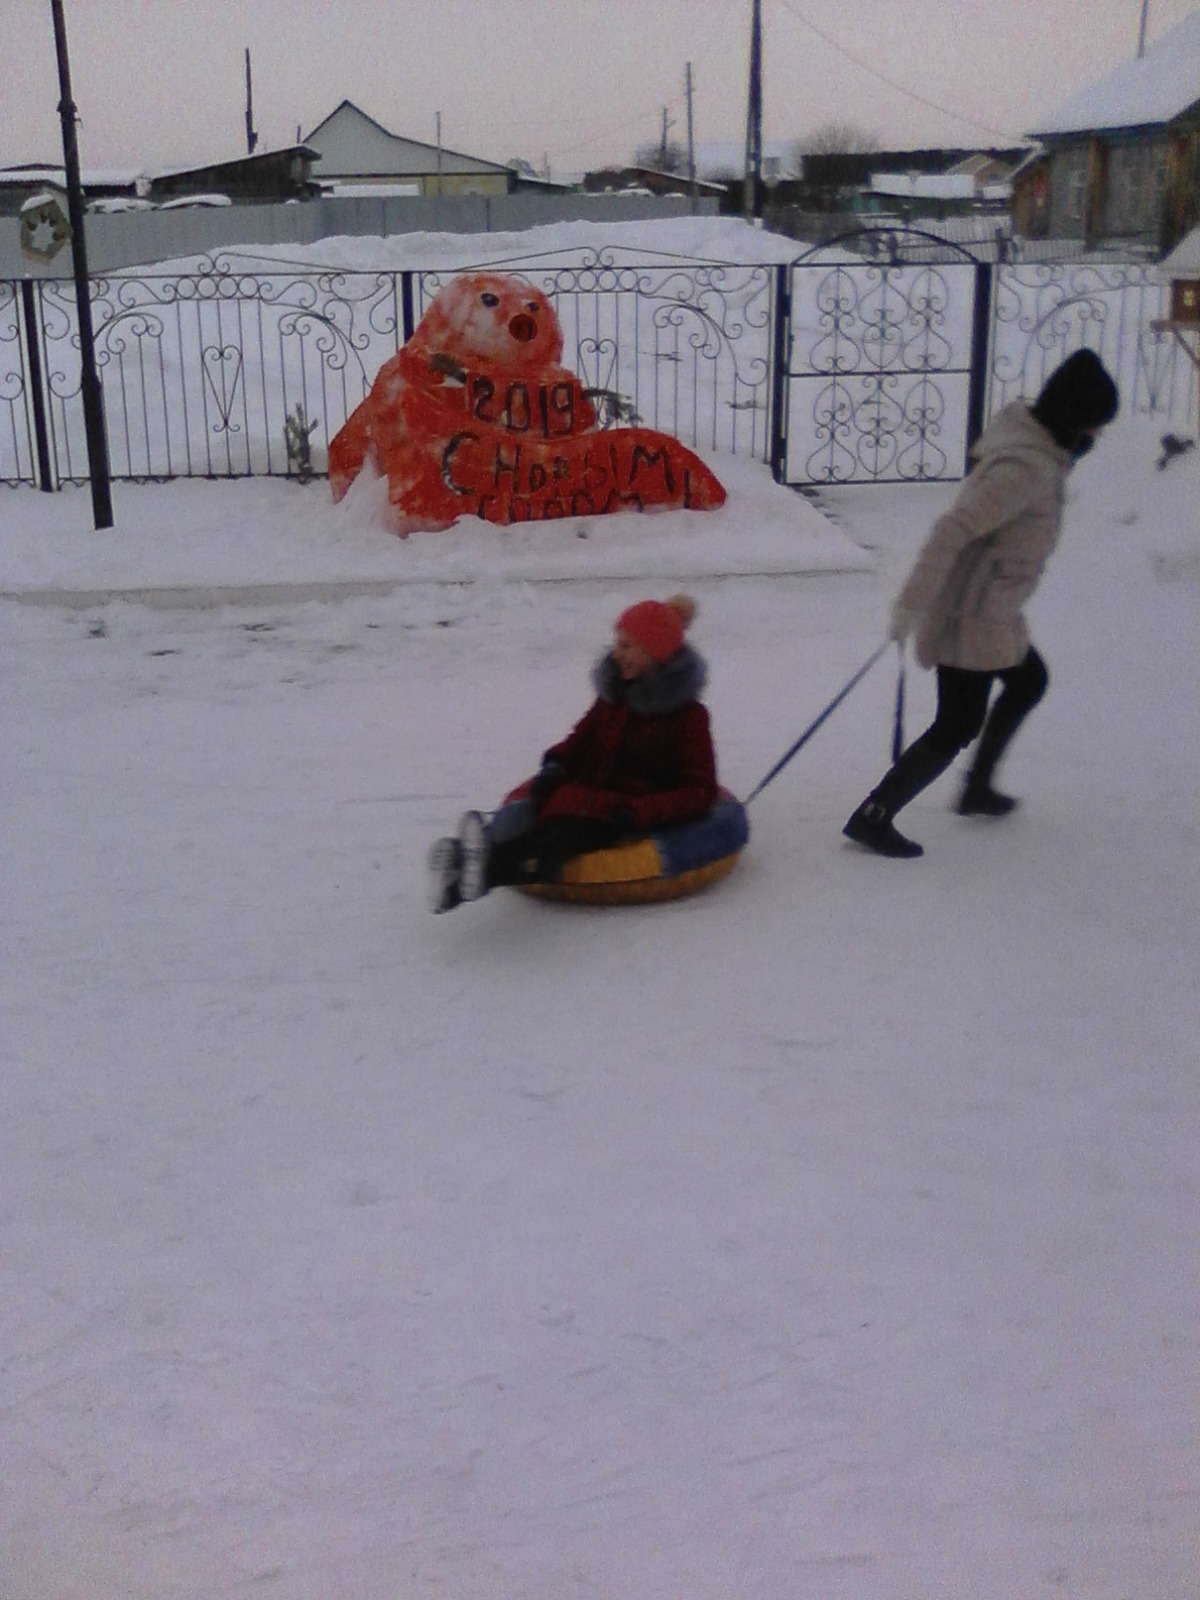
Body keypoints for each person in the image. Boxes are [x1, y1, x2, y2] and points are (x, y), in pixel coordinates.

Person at [843, 347, 1120, 859]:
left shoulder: (1042, 454)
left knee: (1029, 681)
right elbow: (950, 532)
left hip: (997, 610)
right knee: (957, 723)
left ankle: (977, 788)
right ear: (1073, 417)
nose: (1096, 436)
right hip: (969, 617)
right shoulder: (1023, 469)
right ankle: (874, 815)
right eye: (1093, 425)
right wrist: (910, 607)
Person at [428, 594, 718, 911]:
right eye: (616, 644)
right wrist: (555, 766)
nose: (616, 654)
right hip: (585, 796)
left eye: (626, 646)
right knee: (530, 814)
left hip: (624, 813)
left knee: (556, 839)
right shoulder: (615, 699)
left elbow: (699, 790)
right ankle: (461, 866)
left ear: (655, 653)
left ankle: (472, 873)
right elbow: (578, 741)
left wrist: (639, 811)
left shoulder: (688, 717)